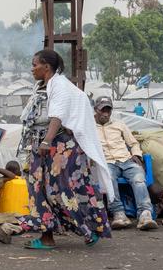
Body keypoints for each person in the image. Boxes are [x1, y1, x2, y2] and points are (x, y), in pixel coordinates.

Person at [18, 49, 112, 250]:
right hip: (39, 145)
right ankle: (47, 237)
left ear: (47, 66)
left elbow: (57, 116)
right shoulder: (40, 86)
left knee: (59, 190)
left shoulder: (60, 85)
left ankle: (88, 230)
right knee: (38, 190)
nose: (32, 68)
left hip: (57, 147)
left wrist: (46, 141)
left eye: (35, 65)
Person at [94, 96, 158, 230]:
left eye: (108, 110)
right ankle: (119, 214)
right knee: (109, 178)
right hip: (107, 162)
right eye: (103, 110)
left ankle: (145, 214)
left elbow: (133, 143)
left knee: (139, 179)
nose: (106, 114)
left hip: (125, 159)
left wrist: (136, 154)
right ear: (96, 110)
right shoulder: (89, 127)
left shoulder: (119, 124)